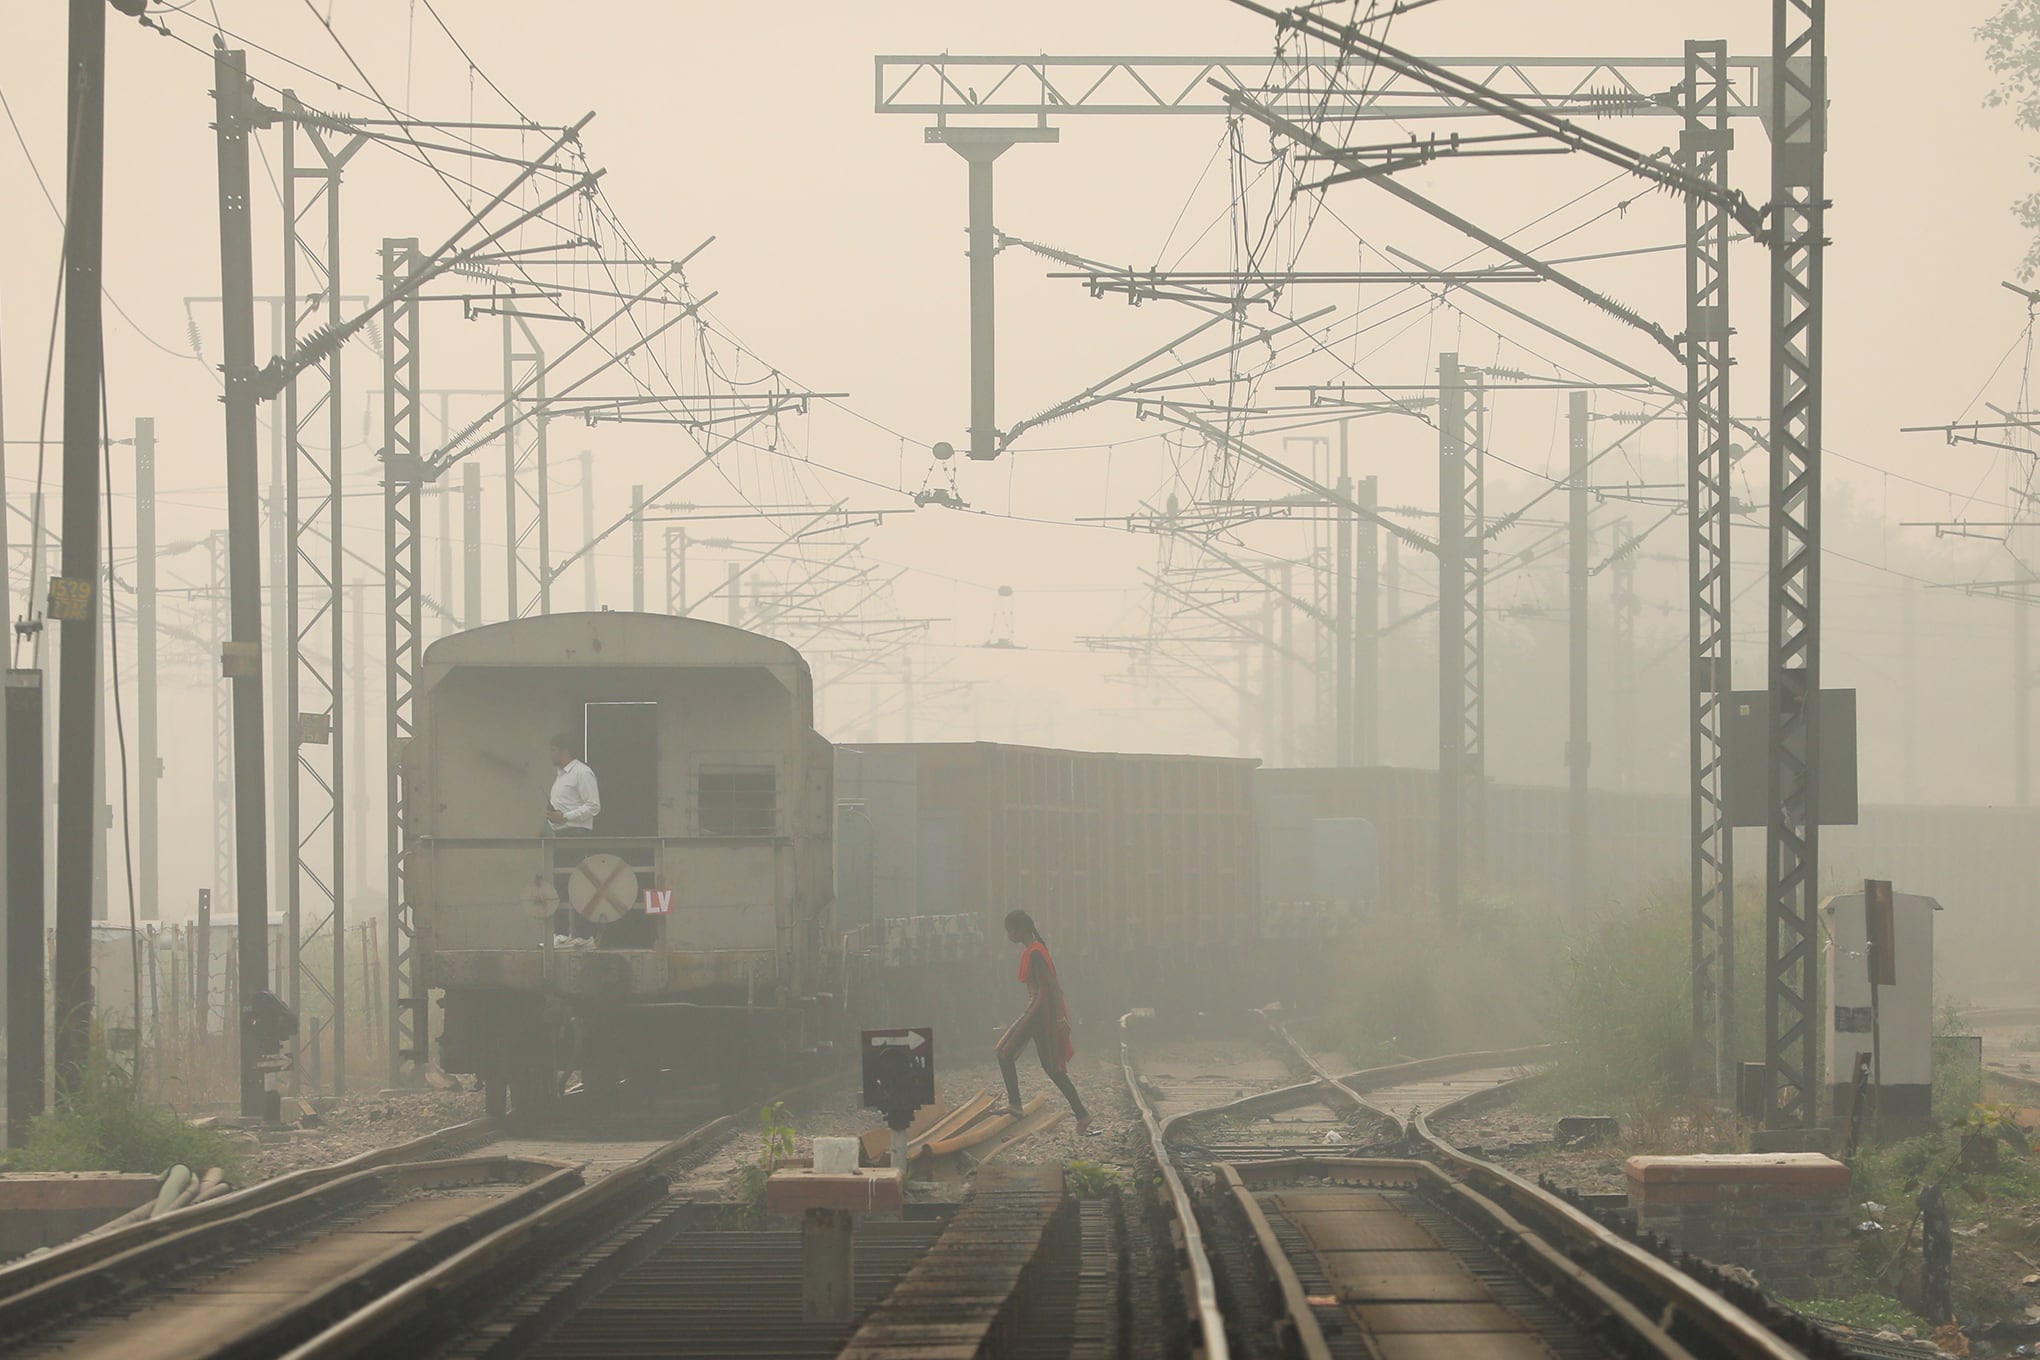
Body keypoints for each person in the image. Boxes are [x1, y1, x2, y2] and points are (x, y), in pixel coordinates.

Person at [996, 909, 1092, 1136]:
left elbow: (1053, 987)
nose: (1009, 935)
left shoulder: (1036, 953)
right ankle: (1082, 1114)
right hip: (1041, 1010)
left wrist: (1060, 1018)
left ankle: (1015, 1104)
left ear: (1021, 930)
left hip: (1039, 1010)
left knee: (1003, 1051)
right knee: (1052, 1068)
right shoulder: (1035, 950)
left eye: (1010, 931)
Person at [545, 734, 601, 937]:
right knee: (560, 883)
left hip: (576, 834)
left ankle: (582, 935)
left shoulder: (582, 772)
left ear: (564, 750)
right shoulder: (560, 776)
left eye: (553, 750)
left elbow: (593, 806)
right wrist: (553, 817)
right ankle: (562, 934)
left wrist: (566, 817)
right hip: (560, 834)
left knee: (576, 883)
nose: (551, 754)